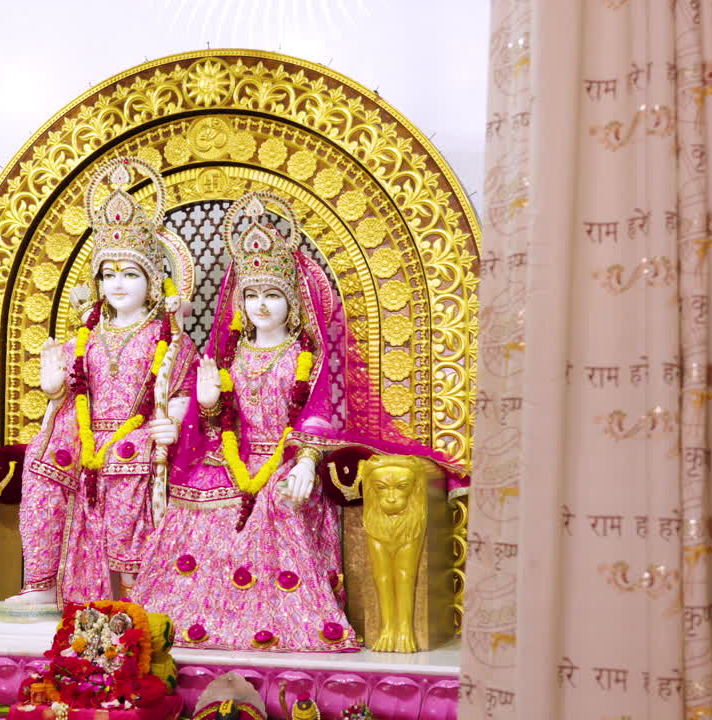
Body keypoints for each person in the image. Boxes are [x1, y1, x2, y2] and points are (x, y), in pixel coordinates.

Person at [131, 191, 466, 651]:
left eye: (272, 295)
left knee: (276, 498)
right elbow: (214, 426)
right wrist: (207, 404)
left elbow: (318, 414)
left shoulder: (305, 357)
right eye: (252, 296)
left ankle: (273, 622)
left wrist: (306, 462)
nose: (261, 306)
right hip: (231, 457)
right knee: (194, 502)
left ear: (294, 300)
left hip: (287, 458)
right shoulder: (229, 356)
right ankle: (189, 620)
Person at [5, 157, 197, 607]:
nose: (117, 284)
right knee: (41, 463)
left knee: (128, 469)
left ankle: (135, 589)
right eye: (109, 275)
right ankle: (43, 584)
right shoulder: (85, 337)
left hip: (141, 432)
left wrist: (175, 421)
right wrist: (54, 389)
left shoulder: (169, 338)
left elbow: (184, 391)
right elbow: (75, 389)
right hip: (85, 431)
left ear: (152, 282)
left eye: (129, 274)